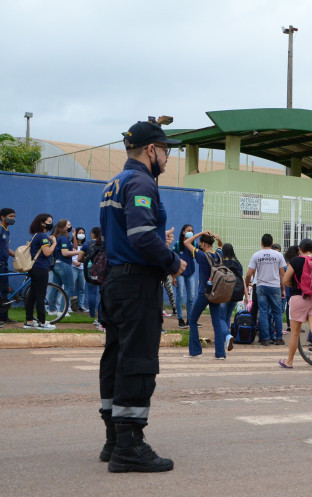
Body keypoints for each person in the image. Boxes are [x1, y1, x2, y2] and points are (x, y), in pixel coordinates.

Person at [98, 121, 185, 472]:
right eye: (166, 150)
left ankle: (114, 439)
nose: (167, 156)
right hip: (136, 285)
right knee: (137, 360)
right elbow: (141, 236)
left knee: (116, 357)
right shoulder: (140, 182)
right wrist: (174, 262)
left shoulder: (114, 183)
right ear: (151, 150)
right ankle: (129, 446)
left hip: (116, 281)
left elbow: (124, 233)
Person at [183, 230, 233, 359]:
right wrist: (218, 238)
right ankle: (220, 353)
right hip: (216, 293)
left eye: (200, 243)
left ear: (204, 244)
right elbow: (221, 245)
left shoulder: (202, 256)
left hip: (204, 293)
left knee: (193, 320)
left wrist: (200, 233)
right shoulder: (218, 254)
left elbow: (186, 242)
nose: (199, 245)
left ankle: (194, 351)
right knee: (216, 321)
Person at [279, 238, 312, 371]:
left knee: (295, 332)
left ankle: (289, 361)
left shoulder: (296, 261)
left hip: (299, 298)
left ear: (300, 249)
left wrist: (292, 285)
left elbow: (285, 279)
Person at [246, 234, 286, 346]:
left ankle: (265, 338)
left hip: (261, 286)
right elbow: (282, 274)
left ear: (261, 243)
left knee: (263, 312)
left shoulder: (256, 255)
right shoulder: (278, 255)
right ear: (272, 243)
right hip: (275, 286)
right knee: (277, 312)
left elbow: (249, 274)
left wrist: (246, 285)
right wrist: (283, 289)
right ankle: (278, 338)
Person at [24, 214, 57, 330]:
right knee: (40, 295)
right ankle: (42, 323)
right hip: (41, 268)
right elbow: (47, 253)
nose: (51, 223)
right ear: (42, 223)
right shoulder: (43, 236)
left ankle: (29, 321)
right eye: (49, 221)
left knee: (32, 295)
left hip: (34, 268)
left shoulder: (36, 235)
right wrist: (54, 243)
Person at [47, 219, 77, 317]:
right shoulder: (64, 238)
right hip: (64, 264)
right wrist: (79, 253)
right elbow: (65, 253)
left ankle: (51, 310)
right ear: (63, 226)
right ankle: (62, 310)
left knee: (56, 287)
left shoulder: (58, 237)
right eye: (68, 225)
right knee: (69, 287)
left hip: (57, 264)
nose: (70, 227)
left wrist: (74, 237)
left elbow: (74, 248)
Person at [77, 227, 104, 330]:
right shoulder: (104, 243)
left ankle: (92, 314)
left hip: (90, 271)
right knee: (103, 296)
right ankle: (101, 319)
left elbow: (79, 258)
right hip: (103, 271)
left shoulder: (86, 244)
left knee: (92, 292)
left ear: (93, 234)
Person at [172, 225, 197, 329]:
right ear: (183, 232)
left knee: (191, 297)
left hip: (190, 273)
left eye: (192, 231)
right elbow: (173, 259)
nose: (190, 232)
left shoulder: (194, 244)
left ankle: (190, 319)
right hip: (179, 274)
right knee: (180, 295)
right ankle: (180, 319)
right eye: (188, 230)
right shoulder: (178, 245)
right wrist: (173, 276)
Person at [219, 243, 244, 341]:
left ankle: (227, 335)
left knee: (221, 316)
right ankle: (226, 337)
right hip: (236, 292)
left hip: (224, 293)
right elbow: (241, 278)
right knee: (228, 316)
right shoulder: (237, 263)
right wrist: (245, 293)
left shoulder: (221, 264)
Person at [0, 208, 15, 325]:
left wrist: (17, 256)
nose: (13, 218)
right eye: (10, 216)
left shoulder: (6, 231)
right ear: (2, 217)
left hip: (4, 264)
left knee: (5, 291)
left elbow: (6, 249)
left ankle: (4, 316)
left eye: (14, 216)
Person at [70, 227, 89, 313]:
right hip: (73, 267)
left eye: (83, 233)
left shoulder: (86, 245)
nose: (81, 234)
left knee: (82, 288)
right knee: (71, 287)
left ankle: (80, 306)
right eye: (79, 232)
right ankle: (68, 306)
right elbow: (67, 256)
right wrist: (74, 262)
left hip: (82, 269)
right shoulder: (71, 244)